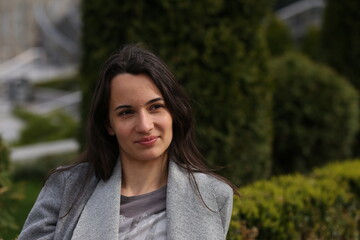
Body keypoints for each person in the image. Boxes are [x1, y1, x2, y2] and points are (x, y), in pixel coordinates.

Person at [18, 44, 237, 240]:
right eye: (126, 112)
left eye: (155, 107)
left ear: (173, 112)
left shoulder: (213, 195)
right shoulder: (67, 187)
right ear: (108, 124)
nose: (144, 125)